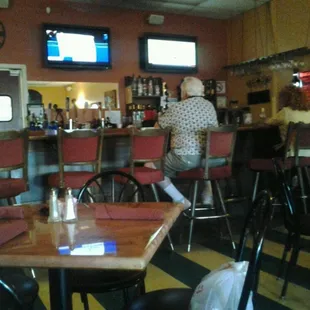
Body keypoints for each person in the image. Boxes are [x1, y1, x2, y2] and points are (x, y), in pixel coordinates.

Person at [146, 77, 220, 209]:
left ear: (184, 92)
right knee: (204, 163)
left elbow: (157, 129)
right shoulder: (210, 106)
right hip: (212, 159)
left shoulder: (177, 108)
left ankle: (180, 200)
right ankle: (208, 194)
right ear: (201, 91)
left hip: (186, 159)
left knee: (150, 167)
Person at [266, 85, 310, 155]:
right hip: (308, 155)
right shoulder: (309, 112)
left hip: (292, 155)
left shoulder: (285, 112)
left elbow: (269, 122)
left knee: (268, 147)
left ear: (285, 99)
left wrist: (265, 119)